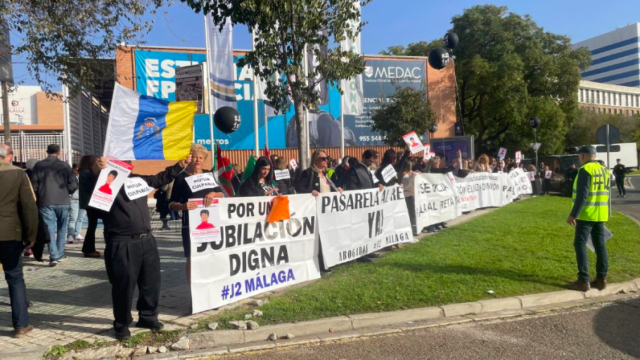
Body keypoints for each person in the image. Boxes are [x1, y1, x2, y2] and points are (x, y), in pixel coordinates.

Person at [94, 155, 189, 340]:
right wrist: (99, 171)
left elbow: (160, 178)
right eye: (122, 164)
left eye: (128, 164)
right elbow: (93, 194)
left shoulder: (137, 180)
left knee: (151, 283)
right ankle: (122, 324)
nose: (126, 167)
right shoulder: (103, 183)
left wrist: (179, 166)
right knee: (123, 287)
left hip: (147, 240)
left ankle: (148, 317)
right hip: (122, 242)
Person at [169, 144, 224, 285]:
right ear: (189, 158)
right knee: (192, 259)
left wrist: (213, 193)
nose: (197, 160)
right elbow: (171, 203)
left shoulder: (209, 175)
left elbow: (221, 194)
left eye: (200, 157)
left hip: (211, 225)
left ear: (204, 159)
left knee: (210, 257)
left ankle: (211, 289)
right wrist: (182, 206)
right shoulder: (181, 178)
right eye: (194, 157)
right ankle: (194, 294)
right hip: (191, 226)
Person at [0, 144, 38, 338]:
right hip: (10, 233)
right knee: (15, 278)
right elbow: (28, 206)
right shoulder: (17, 174)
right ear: (8, 156)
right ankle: (21, 325)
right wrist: (31, 236)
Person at [566, 146, 610, 292]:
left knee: (579, 243)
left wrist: (573, 214)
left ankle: (583, 280)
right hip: (601, 213)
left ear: (583, 156)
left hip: (586, 214)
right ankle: (601, 278)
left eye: (579, 156)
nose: (579, 158)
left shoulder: (585, 170)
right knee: (600, 245)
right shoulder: (604, 169)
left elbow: (582, 195)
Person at [30, 144, 78, 267]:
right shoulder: (64, 165)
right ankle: (60, 253)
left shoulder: (39, 165)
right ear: (58, 152)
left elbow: (34, 184)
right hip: (63, 200)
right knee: (62, 228)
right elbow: (73, 184)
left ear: (47, 152)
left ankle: (54, 256)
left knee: (49, 229)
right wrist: (68, 192)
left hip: (46, 200)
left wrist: (39, 195)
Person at [295, 150, 342, 271]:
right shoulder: (309, 173)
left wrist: (338, 189)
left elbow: (331, 188)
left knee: (329, 235)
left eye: (327, 158)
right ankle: (321, 263)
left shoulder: (326, 174)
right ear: (316, 160)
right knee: (320, 238)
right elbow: (299, 187)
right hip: (316, 210)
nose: (327, 160)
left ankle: (330, 260)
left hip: (328, 211)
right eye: (323, 158)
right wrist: (311, 192)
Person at [78, 155, 102, 258]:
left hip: (90, 203)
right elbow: (95, 184)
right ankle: (88, 249)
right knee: (92, 226)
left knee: (92, 226)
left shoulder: (84, 172)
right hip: (91, 204)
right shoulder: (86, 173)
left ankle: (89, 248)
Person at [67, 163, 87, 244]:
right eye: (76, 169)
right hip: (74, 199)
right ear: (73, 169)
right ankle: (70, 235)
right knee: (73, 218)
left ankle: (77, 233)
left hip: (83, 199)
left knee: (80, 218)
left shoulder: (83, 177)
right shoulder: (70, 177)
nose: (78, 171)